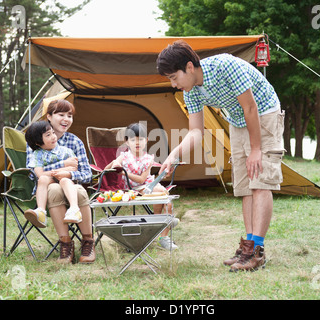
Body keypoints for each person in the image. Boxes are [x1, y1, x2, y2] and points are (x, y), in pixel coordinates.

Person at [157, 40, 284, 271]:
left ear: (189, 67)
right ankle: (247, 248)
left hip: (264, 113)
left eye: (174, 77)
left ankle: (257, 251)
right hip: (237, 122)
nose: (173, 84)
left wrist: (256, 149)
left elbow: (251, 108)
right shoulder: (191, 91)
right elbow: (196, 131)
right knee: (245, 185)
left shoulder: (225, 66)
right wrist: (174, 154)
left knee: (260, 181)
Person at [25, 99, 95, 264]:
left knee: (79, 191)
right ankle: (65, 244)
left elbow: (86, 174)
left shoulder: (74, 142)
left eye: (69, 115)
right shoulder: (35, 139)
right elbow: (33, 173)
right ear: (49, 116)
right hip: (47, 189)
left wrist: (69, 175)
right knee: (55, 190)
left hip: (71, 187)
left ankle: (88, 242)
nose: (66, 119)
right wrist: (64, 165)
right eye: (61, 114)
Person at [104, 122, 179, 251]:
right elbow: (105, 170)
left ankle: (162, 235)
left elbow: (142, 179)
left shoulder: (148, 159)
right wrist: (114, 164)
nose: (137, 143)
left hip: (147, 185)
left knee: (167, 201)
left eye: (140, 139)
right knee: (162, 196)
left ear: (146, 141)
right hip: (130, 189)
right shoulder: (124, 156)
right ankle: (163, 222)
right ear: (127, 142)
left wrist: (124, 172)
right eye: (133, 140)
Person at [25, 120, 82, 226]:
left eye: (53, 133)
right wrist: (60, 169)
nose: (53, 136)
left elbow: (74, 168)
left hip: (66, 179)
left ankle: (74, 209)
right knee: (42, 179)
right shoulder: (37, 154)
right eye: (48, 135)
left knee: (65, 180)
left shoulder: (66, 151)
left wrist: (60, 172)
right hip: (50, 182)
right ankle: (41, 212)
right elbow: (39, 173)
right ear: (38, 143)